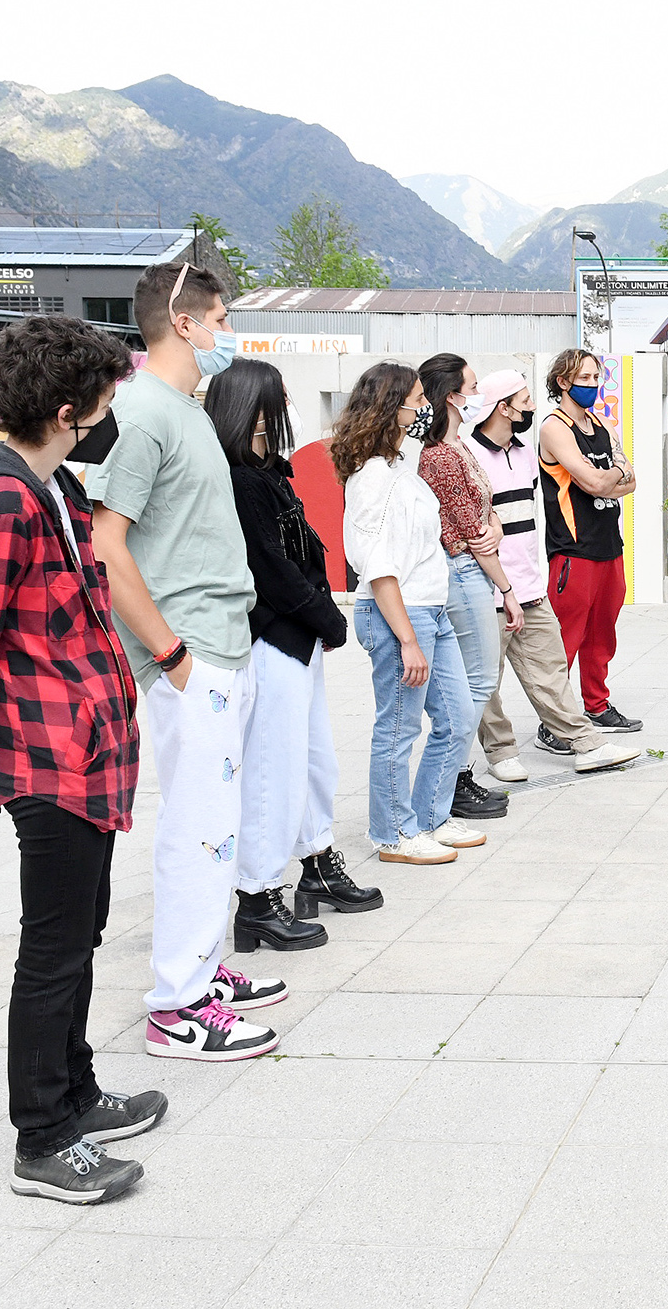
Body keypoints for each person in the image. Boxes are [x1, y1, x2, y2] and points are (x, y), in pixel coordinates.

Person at [0, 315, 160, 1204]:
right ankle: (42, 1135)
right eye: (103, 402)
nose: (109, 415)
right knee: (54, 947)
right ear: (69, 409)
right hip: (48, 761)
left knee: (84, 929)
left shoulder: (50, 484)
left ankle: (76, 1088)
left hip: (88, 758)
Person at [86, 261, 284, 1064]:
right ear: (184, 320)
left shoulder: (187, 408)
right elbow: (106, 544)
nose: (226, 331)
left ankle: (204, 968)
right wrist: (171, 656)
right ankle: (177, 1004)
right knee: (197, 828)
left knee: (219, 826)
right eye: (222, 316)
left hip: (220, 645)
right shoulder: (140, 411)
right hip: (189, 654)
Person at [205, 358, 383, 950]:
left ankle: (316, 860)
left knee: (313, 759)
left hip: (298, 637)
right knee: (271, 772)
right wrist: (326, 614)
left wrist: (320, 617)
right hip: (272, 639)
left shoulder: (269, 470)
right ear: (254, 408)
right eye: (279, 399)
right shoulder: (237, 478)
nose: (287, 412)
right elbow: (269, 571)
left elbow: (302, 549)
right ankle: (257, 896)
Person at [333, 361, 486, 863]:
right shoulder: (371, 477)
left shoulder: (402, 463)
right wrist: (407, 638)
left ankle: (430, 817)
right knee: (399, 727)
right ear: (389, 406)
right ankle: (394, 833)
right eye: (417, 399)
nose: (426, 407)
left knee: (459, 718)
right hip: (399, 616)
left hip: (430, 610)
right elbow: (376, 565)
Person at [467, 368, 641, 779]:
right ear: (502, 407)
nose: (531, 408)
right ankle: (501, 752)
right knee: (485, 684)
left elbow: (615, 481)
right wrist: (501, 584)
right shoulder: (468, 456)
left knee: (550, 670)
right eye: (524, 402)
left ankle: (585, 743)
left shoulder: (525, 454)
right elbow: (596, 482)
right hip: (487, 588)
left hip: (528, 585)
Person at [416, 353, 521, 820]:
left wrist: (495, 522)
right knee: (477, 682)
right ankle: (453, 777)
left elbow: (484, 511)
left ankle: (457, 775)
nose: (479, 396)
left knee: (474, 681)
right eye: (472, 387)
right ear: (451, 396)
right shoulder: (439, 456)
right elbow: (470, 535)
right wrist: (509, 591)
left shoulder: (458, 449)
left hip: (472, 567)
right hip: (463, 572)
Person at [539, 348, 644, 732]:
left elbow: (632, 483)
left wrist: (608, 477)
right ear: (562, 382)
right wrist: (613, 474)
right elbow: (605, 480)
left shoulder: (601, 424)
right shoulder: (554, 427)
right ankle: (553, 723)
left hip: (608, 546)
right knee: (565, 640)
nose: (592, 385)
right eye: (583, 379)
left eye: (596, 378)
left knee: (602, 636)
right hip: (574, 550)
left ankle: (596, 706)